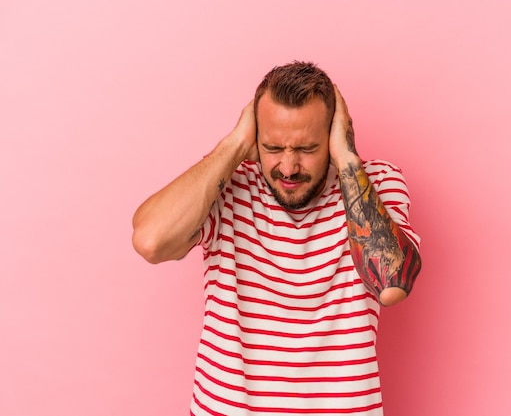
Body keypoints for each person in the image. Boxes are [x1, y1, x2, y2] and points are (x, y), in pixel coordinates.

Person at [132, 61, 421, 416]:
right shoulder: (227, 184)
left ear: (333, 134)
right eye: (273, 147)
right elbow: (151, 241)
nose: (287, 167)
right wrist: (234, 146)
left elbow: (392, 285)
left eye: (306, 149)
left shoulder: (375, 180)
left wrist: (346, 159)